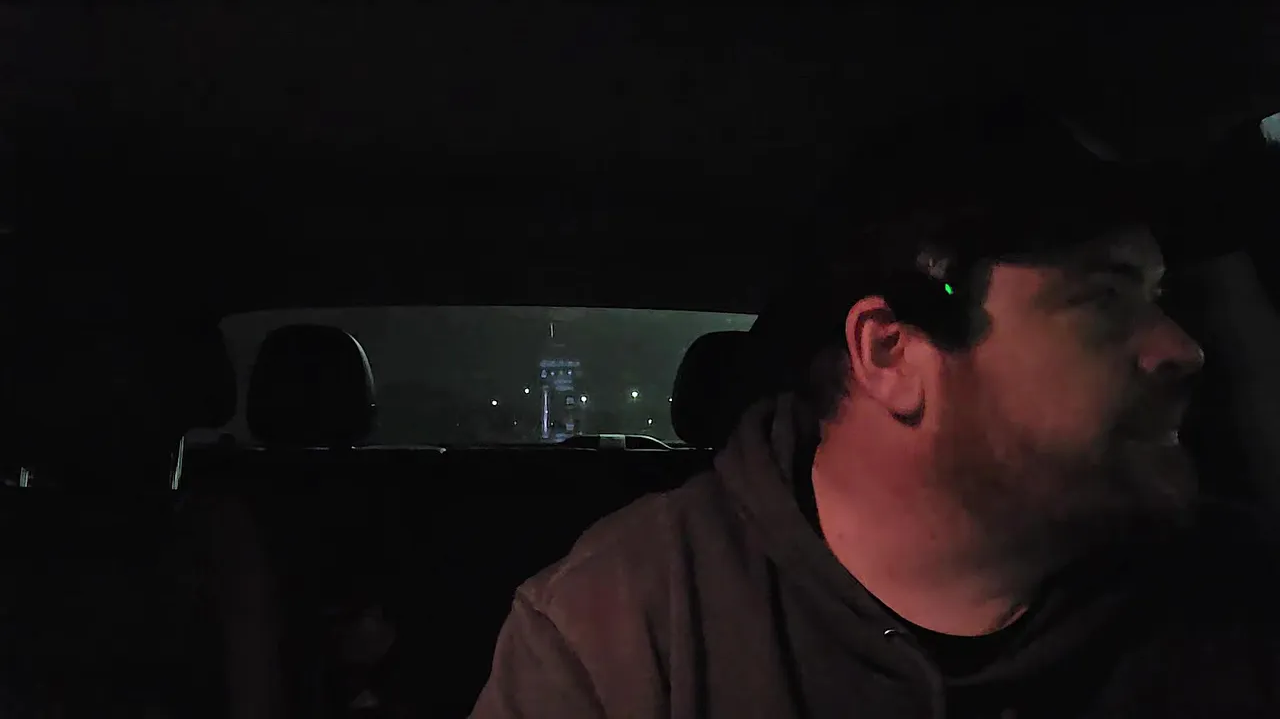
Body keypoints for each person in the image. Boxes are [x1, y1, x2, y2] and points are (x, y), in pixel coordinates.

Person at [471, 102, 1280, 718]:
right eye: (1104, 299)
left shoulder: (1236, 597)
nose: (1182, 347)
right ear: (890, 355)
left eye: (1159, 296)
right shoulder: (620, 629)